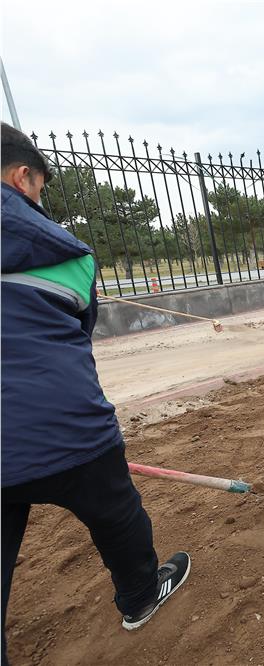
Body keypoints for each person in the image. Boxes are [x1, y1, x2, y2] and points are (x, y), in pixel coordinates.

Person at [1, 123, 191, 658]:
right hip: (66, 426)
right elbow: (79, 333)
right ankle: (140, 595)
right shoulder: (68, 253)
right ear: (22, 177)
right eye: (40, 189)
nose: (40, 200)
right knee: (117, 514)